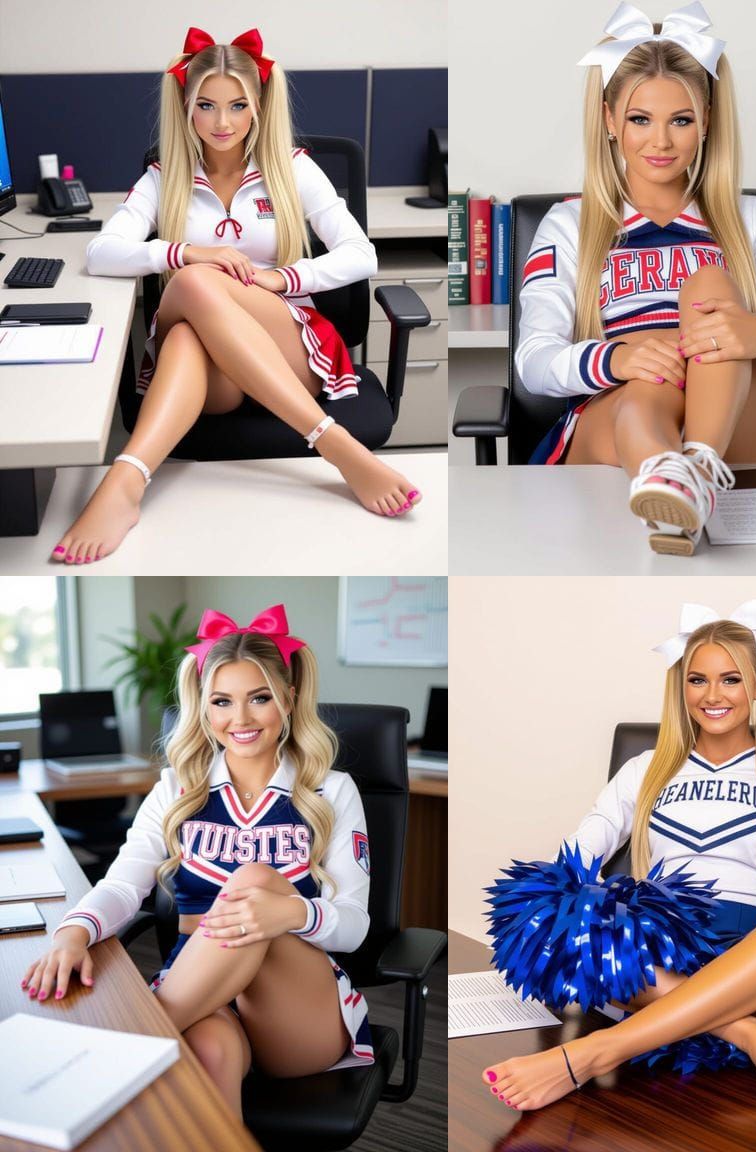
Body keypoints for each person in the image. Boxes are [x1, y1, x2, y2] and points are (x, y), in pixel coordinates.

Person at [483, 601, 756, 1113]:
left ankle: (594, 1052)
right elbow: (578, 849)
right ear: (681, 686)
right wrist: (553, 906)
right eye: (697, 680)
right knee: (555, 909)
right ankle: (749, 1035)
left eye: (731, 679)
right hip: (663, 947)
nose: (713, 695)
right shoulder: (646, 768)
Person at [52, 27, 421, 566]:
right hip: (214, 379)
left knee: (191, 291)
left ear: (259, 107)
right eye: (206, 105)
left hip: (288, 345)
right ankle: (331, 443)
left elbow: (361, 255)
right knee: (190, 314)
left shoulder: (291, 168)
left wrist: (283, 279)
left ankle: (125, 480)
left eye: (237, 106)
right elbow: (100, 252)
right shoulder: (165, 177)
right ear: (186, 108)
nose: (221, 122)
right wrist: (185, 252)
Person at [21, 605, 373, 1121]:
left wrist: (290, 913)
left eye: (260, 698)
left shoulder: (331, 790)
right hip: (201, 991)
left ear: (289, 698)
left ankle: (127, 1044)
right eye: (222, 701)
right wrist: (73, 933)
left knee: (255, 878)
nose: (241, 719)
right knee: (209, 1054)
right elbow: (122, 885)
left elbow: (356, 926)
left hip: (297, 1007)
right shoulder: (177, 788)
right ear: (204, 708)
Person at [516, 3, 756, 555]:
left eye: (680, 120)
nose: (660, 141)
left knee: (710, 286)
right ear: (609, 120)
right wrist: (617, 358)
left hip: (737, 430)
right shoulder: (569, 225)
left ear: (706, 120)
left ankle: (695, 473)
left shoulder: (754, 218)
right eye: (640, 119)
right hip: (621, 423)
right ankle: (673, 484)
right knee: (646, 388)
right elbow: (534, 361)